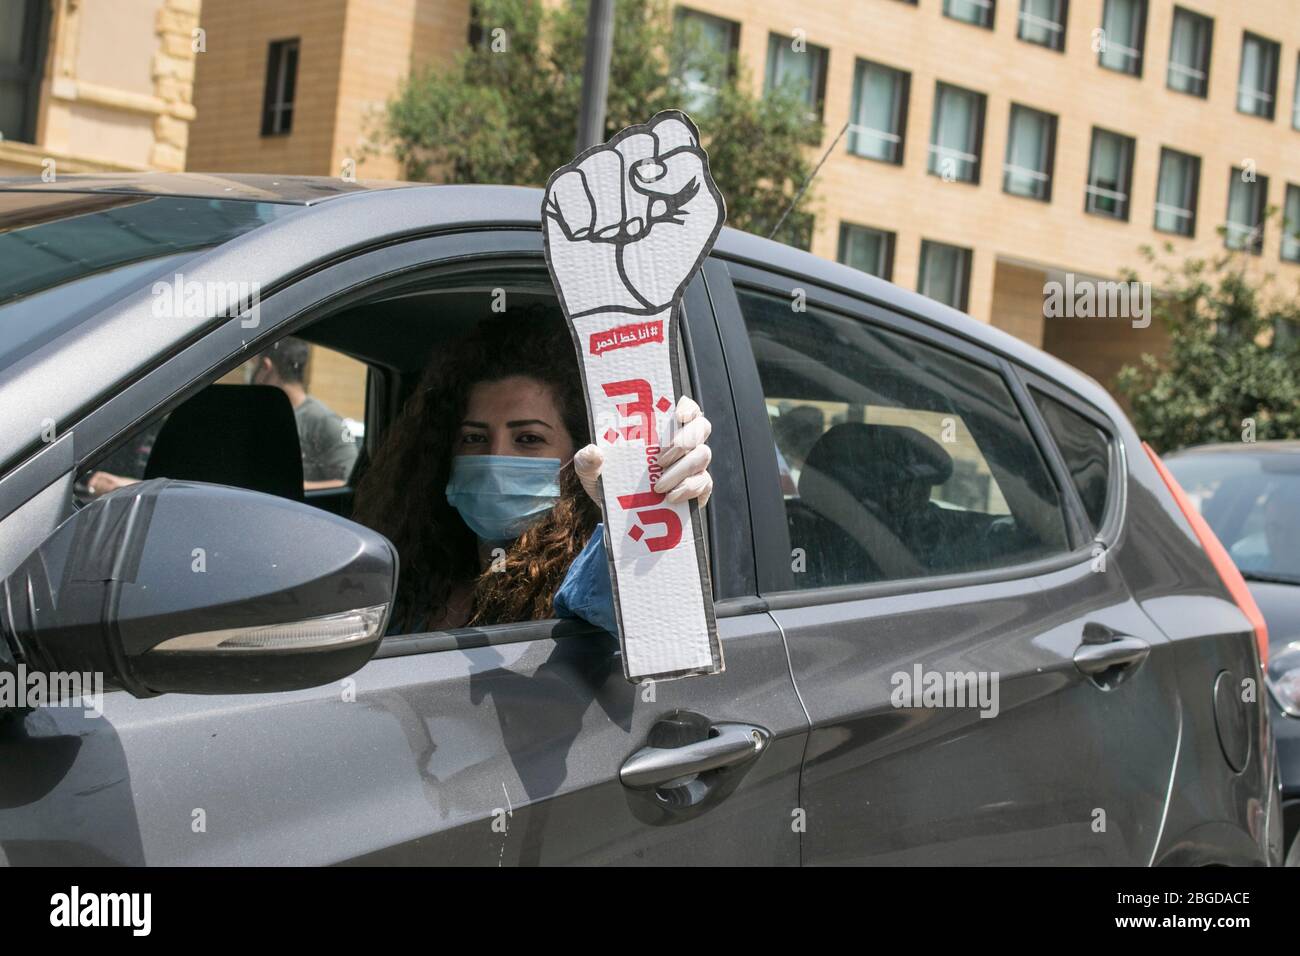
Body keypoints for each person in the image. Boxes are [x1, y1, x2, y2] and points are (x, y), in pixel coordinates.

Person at [351, 305, 713, 634]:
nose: (495, 458)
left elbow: (645, 620)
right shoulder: (414, 576)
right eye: (474, 438)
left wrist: (643, 508)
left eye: (527, 439)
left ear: (581, 452)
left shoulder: (584, 576)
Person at [247, 337, 359, 490]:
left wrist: (295, 487)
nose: (252, 375)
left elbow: (348, 482)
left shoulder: (324, 421)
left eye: (254, 366)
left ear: (266, 367)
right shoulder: (257, 415)